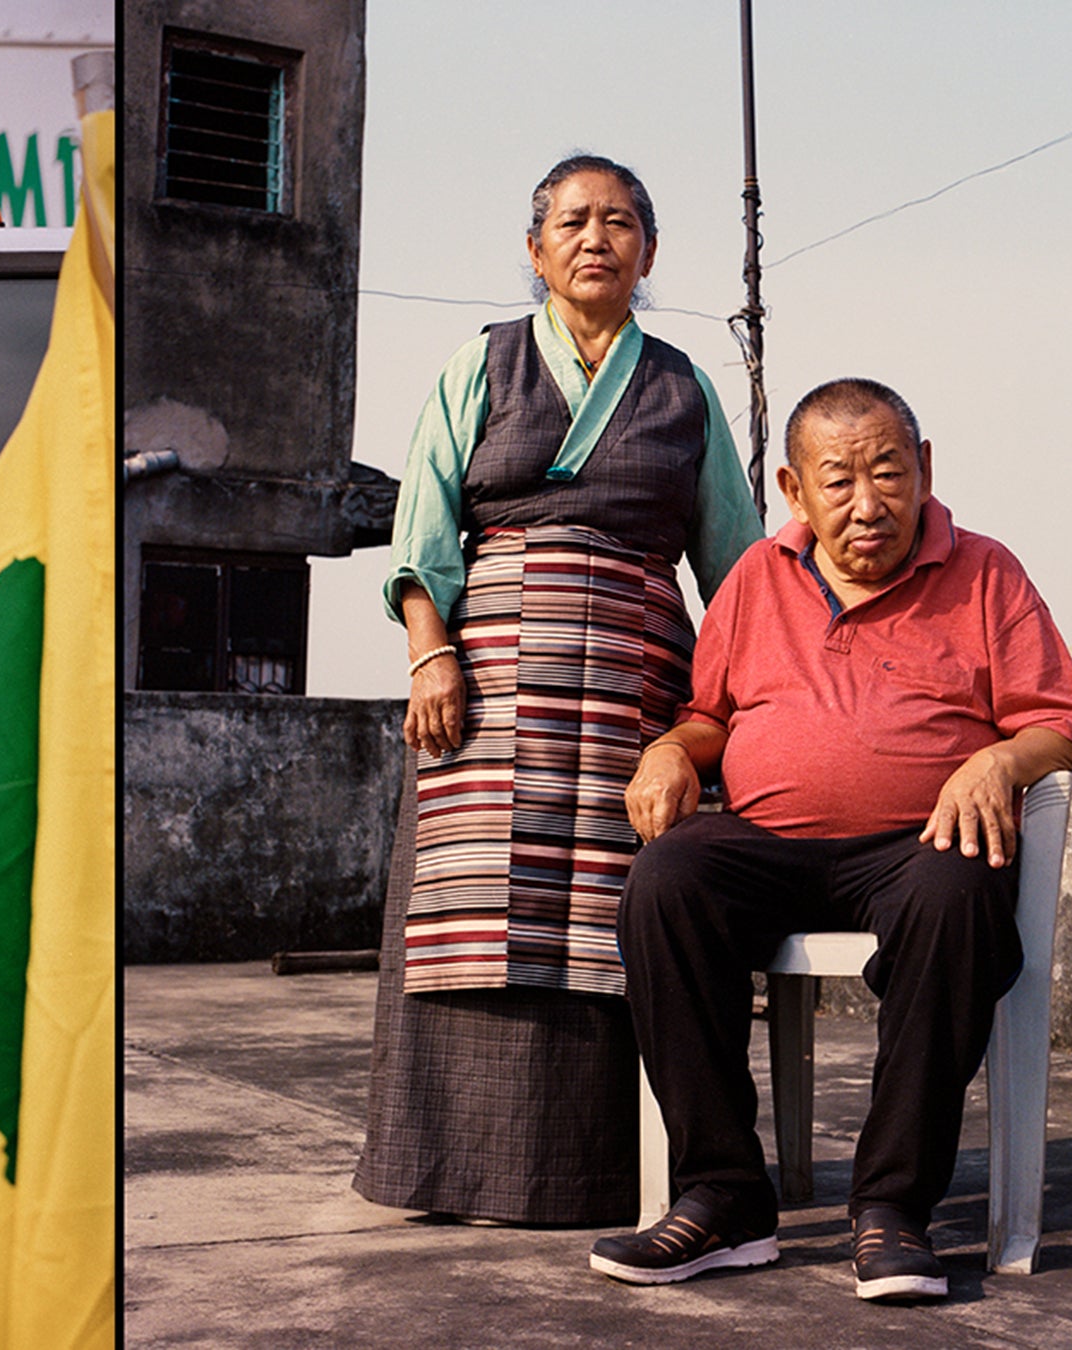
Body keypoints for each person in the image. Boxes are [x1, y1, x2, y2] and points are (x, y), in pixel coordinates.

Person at [587, 378, 1072, 1301]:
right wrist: (670, 748)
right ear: (793, 490)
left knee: (961, 896)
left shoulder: (985, 572)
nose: (870, 505)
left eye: (891, 474)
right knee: (665, 882)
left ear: (926, 469)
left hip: (918, 845)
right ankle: (725, 1196)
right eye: (840, 482)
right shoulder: (755, 579)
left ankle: (893, 1208)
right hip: (767, 841)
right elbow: (711, 715)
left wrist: (998, 764)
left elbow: (1064, 724)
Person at [354, 154, 766, 1227]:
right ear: (534, 251)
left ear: (650, 252)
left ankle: (603, 1172)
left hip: (635, 688)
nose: (597, 238)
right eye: (573, 221)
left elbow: (736, 565)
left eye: (621, 222)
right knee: (477, 911)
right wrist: (429, 653)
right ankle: (450, 1166)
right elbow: (424, 525)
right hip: (486, 683)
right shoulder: (482, 364)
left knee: (608, 920)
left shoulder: (683, 387)